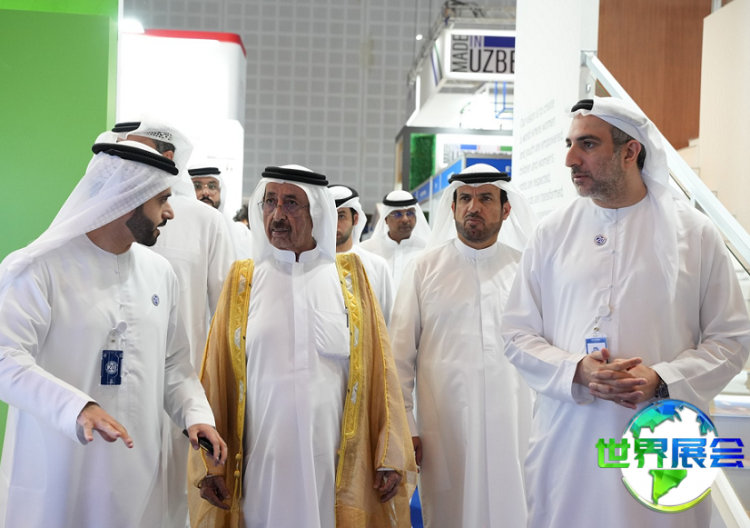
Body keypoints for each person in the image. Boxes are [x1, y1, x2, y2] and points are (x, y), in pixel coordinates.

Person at [500, 96, 750, 528]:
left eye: (587, 144)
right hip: (570, 438)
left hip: (663, 442)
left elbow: (731, 339)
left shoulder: (695, 234)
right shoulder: (551, 233)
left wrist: (663, 379)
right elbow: (517, 333)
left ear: (630, 151)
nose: (570, 159)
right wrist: (577, 370)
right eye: (569, 144)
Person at [0, 140, 228, 528]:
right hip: (61, 470)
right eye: (162, 200)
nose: (170, 212)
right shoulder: (39, 268)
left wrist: (195, 415)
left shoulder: (159, 273)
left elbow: (174, 365)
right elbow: (6, 360)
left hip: (138, 474)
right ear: (128, 198)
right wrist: (77, 407)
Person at [186, 165, 417, 528]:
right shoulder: (243, 281)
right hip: (261, 466)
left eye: (291, 203)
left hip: (334, 467)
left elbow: (380, 372)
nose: (277, 214)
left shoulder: (350, 279)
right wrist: (211, 466)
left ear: (318, 212)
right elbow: (215, 374)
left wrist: (387, 454)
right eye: (270, 202)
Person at [390, 164, 537, 528]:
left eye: (486, 198)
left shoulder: (524, 269)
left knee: (513, 507)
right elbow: (399, 358)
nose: (474, 207)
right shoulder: (423, 269)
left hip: (515, 420)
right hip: (444, 425)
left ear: (506, 209)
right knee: (451, 510)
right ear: (453, 207)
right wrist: (406, 424)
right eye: (465, 199)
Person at [106, 120, 236, 528]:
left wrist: (204, 404)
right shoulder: (52, 259)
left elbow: (226, 315)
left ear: (165, 157)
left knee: (171, 506)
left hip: (180, 398)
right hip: (100, 405)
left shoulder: (205, 222)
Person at [329, 184, 395, 325]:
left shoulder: (377, 265)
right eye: (330, 216)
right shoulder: (311, 265)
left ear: (356, 219)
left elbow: (388, 319)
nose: (335, 224)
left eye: (341, 216)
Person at [359, 190, 430, 291]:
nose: (405, 219)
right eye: (397, 214)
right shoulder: (366, 251)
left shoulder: (427, 250)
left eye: (410, 213)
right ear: (386, 219)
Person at [190, 165, 252, 260]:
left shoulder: (242, 235)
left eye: (212, 186)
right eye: (197, 186)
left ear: (220, 191)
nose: (206, 192)